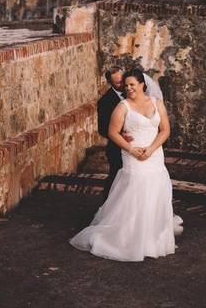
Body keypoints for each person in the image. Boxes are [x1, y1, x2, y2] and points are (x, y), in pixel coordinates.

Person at [71, 68, 181, 261]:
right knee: (135, 191)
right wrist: (132, 150)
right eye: (125, 85)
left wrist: (152, 148)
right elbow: (112, 132)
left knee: (156, 189)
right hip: (133, 156)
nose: (127, 88)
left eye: (131, 84)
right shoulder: (122, 106)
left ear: (142, 84)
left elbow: (165, 130)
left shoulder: (157, 103)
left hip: (154, 155)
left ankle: (152, 237)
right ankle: (129, 236)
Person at [96, 67, 128, 201]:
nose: (122, 85)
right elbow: (102, 128)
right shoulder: (105, 102)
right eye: (118, 83)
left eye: (123, 81)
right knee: (116, 176)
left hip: (136, 143)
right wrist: (120, 136)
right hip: (116, 148)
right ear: (110, 83)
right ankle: (107, 206)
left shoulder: (132, 92)